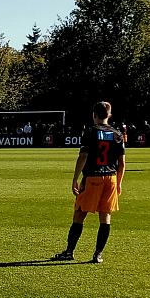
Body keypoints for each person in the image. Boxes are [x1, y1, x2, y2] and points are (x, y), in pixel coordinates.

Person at [52, 101, 125, 264]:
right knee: (105, 217)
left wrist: (75, 179)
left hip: (93, 178)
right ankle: (97, 254)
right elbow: (122, 163)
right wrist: (119, 183)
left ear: (94, 115)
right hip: (111, 178)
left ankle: (69, 252)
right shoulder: (117, 134)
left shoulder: (90, 131)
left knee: (79, 214)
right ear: (109, 115)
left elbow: (83, 156)